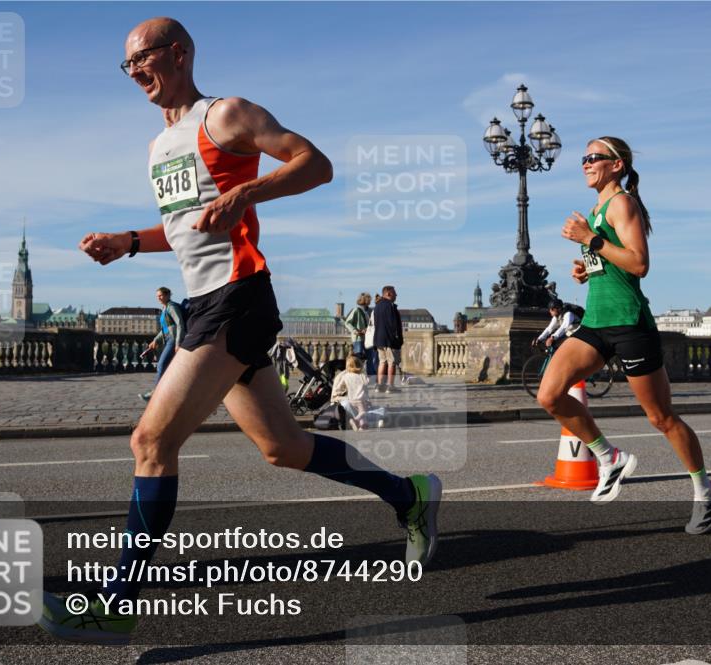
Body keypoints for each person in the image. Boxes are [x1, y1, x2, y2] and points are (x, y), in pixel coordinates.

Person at [39, 17, 440, 645]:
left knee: (151, 440)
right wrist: (128, 242)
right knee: (283, 448)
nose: (136, 72)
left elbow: (317, 164)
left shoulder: (223, 116)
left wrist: (247, 191)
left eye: (143, 58)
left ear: (178, 53)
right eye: (128, 65)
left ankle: (116, 605)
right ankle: (409, 493)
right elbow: (184, 226)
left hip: (239, 298)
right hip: (204, 304)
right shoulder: (158, 146)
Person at [537, 136, 711, 535]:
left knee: (661, 417)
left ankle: (705, 490)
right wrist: (587, 268)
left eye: (594, 158)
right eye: (583, 158)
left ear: (616, 165)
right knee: (549, 395)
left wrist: (590, 240)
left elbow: (640, 264)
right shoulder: (597, 208)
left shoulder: (622, 203)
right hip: (596, 323)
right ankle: (610, 457)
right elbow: (613, 263)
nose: (585, 163)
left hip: (630, 324)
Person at [140, 286, 185, 401]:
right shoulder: (164, 309)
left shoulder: (172, 307)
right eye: (157, 296)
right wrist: (156, 340)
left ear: (167, 295)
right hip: (167, 339)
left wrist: (178, 342)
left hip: (172, 339)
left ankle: (155, 394)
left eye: (160, 295)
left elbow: (179, 324)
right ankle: (170, 393)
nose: (158, 298)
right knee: (169, 367)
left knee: (161, 365)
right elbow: (165, 328)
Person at [331, 354, 381, 430]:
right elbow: (367, 384)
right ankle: (358, 421)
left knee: (367, 412)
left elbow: (338, 388)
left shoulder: (345, 376)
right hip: (356, 401)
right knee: (362, 412)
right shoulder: (361, 375)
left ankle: (362, 425)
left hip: (352, 399)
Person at [373, 285, 403, 394]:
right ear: (388, 293)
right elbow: (392, 325)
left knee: (382, 362)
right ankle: (390, 386)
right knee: (392, 363)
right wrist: (396, 340)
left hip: (379, 339)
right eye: (394, 293)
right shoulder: (389, 306)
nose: (396, 295)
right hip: (389, 340)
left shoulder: (377, 306)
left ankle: (379, 385)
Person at [343, 292, 372, 358]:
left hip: (368, 338)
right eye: (369, 299)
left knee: (370, 358)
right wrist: (355, 331)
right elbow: (347, 322)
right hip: (358, 338)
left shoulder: (369, 310)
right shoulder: (356, 310)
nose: (370, 300)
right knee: (359, 358)